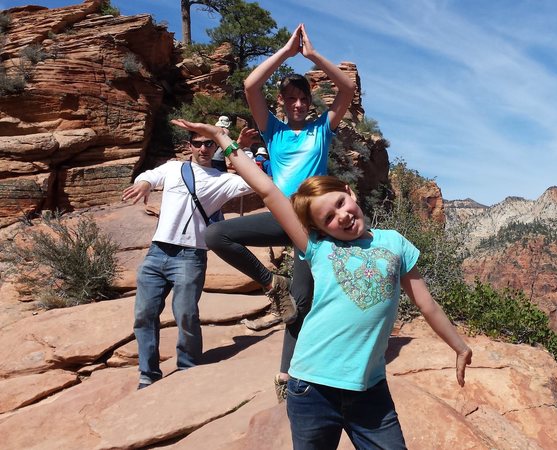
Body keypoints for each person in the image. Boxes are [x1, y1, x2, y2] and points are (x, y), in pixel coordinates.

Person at [171, 118, 473, 449]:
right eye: (328, 218)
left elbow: (426, 303)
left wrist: (459, 346)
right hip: (311, 387)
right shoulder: (316, 247)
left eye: (340, 204)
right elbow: (268, 190)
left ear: (350, 191)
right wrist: (223, 139)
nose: (340, 217)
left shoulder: (395, 242)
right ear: (319, 229)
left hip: (370, 391)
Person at [204, 23, 356, 400]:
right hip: (279, 215)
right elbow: (251, 86)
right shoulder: (272, 130)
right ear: (282, 103)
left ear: (310, 101)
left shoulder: (322, 128)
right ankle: (274, 284)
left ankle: (287, 377)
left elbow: (347, 90)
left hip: (312, 224)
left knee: (300, 304)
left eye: (303, 98)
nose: (298, 104)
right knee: (215, 235)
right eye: (290, 99)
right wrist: (286, 53)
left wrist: (313, 56)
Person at [121, 131, 253, 389]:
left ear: (216, 146)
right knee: (144, 314)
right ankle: (148, 374)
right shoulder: (173, 168)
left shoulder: (223, 180)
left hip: (190, 255)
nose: (203, 148)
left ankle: (188, 367)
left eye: (209, 144)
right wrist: (145, 184)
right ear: (188, 145)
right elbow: (148, 176)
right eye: (197, 143)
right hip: (157, 252)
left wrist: (240, 149)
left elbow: (252, 182)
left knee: (185, 314)